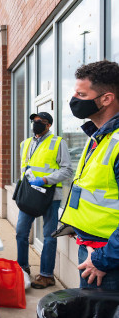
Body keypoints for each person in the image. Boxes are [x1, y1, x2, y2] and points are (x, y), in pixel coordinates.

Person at [60, 60, 119, 290]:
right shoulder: (98, 137)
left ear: (106, 99)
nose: (74, 99)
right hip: (92, 249)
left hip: (108, 261)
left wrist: (102, 260)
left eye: (81, 94)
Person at [16, 112, 73, 289]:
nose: (36, 124)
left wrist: (46, 179)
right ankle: (22, 268)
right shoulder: (26, 143)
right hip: (29, 195)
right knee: (21, 232)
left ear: (48, 125)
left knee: (49, 236)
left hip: (50, 196)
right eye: (34, 121)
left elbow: (68, 170)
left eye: (40, 122)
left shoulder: (58, 142)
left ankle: (47, 275)